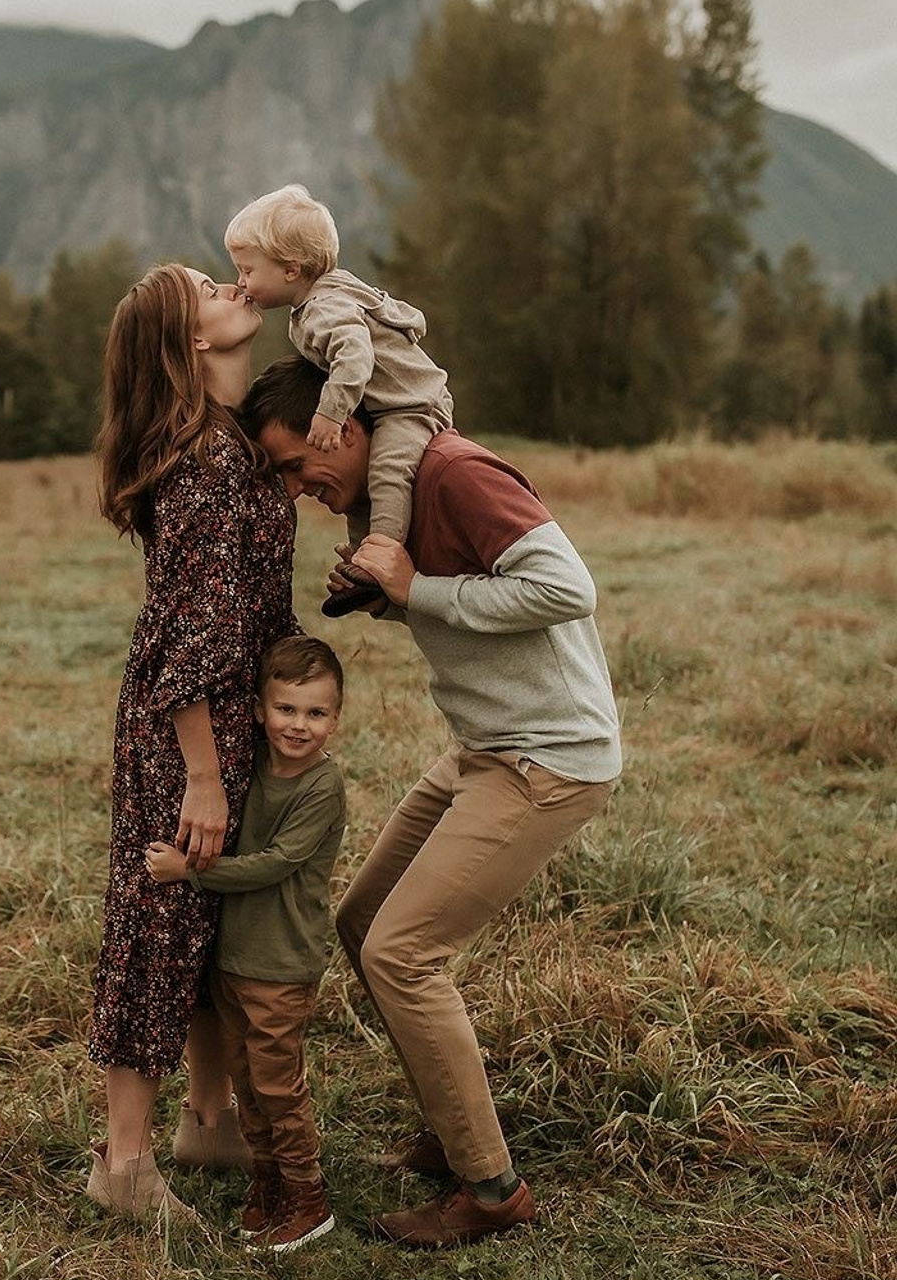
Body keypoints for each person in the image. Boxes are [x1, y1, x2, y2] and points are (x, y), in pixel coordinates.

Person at [238, 355, 622, 1249]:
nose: (300, 490)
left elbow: (569, 589)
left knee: (404, 955)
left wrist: (417, 589)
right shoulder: (388, 497)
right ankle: (457, 1131)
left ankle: (491, 1188)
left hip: (548, 757)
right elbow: (459, 602)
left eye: (300, 465)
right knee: (362, 921)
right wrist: (384, 598)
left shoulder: (454, 472)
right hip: (481, 749)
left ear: (342, 424)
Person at [87, 266, 299, 1223]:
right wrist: (205, 777)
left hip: (226, 717)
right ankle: (122, 1166)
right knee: (159, 926)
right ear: (191, 341)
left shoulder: (233, 444)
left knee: (214, 920)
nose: (230, 284)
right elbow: (192, 643)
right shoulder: (208, 464)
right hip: (189, 733)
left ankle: (208, 1120)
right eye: (206, 287)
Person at [146, 634, 346, 1254]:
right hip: (233, 961)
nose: (299, 725)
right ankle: (269, 1181)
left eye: (316, 713)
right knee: (246, 1080)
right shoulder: (248, 765)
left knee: (279, 1085)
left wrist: (192, 870)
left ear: (335, 720)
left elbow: (274, 863)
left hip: (282, 964)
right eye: (286, 709)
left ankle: (307, 1196)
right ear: (260, 711)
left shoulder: (321, 786)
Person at [225, 183, 453, 616]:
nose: (241, 282)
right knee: (359, 491)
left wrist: (331, 413)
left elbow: (354, 353)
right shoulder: (322, 298)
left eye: (247, 270)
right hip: (387, 405)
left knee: (386, 472)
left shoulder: (322, 307)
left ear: (291, 269)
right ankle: (362, 568)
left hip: (411, 406)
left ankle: (379, 557)